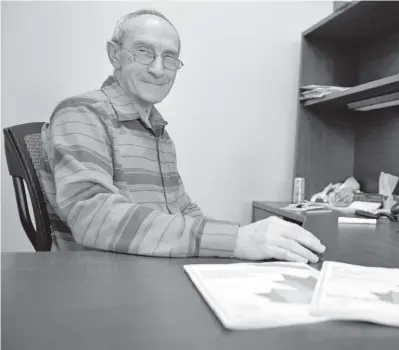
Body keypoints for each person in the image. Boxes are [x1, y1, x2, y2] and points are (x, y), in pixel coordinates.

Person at [38, 9, 325, 262]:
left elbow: (182, 208)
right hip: (106, 282)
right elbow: (94, 217)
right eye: (143, 51)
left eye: (170, 57)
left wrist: (249, 236)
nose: (158, 69)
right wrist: (235, 241)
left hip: (153, 269)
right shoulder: (81, 113)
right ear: (115, 54)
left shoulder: (158, 131)